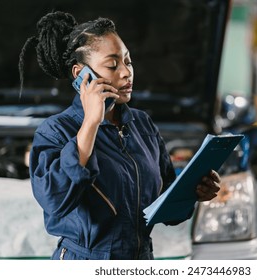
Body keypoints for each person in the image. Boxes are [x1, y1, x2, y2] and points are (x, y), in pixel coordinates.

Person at [18, 11, 221, 260]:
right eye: (113, 65)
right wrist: (91, 122)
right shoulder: (55, 131)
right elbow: (55, 200)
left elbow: (165, 202)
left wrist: (194, 193)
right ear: (80, 74)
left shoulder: (142, 124)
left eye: (128, 61)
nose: (126, 72)